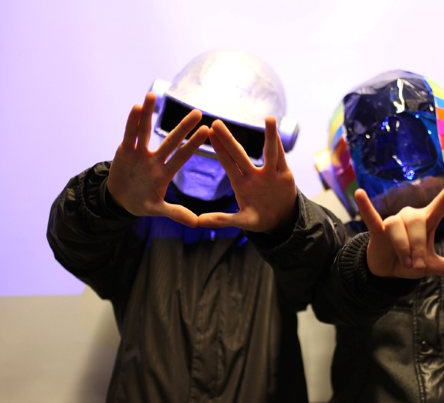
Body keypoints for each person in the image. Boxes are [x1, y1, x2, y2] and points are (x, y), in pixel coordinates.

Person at [199, 70, 444, 402]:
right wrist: (295, 227)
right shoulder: (351, 244)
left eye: (415, 140)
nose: (402, 159)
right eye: (380, 149)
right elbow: (330, 293)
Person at [46, 49, 344, 403]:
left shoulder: (276, 235)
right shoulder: (140, 221)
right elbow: (72, 241)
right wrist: (107, 199)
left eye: (233, 136)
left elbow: (330, 272)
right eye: (189, 125)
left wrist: (288, 222)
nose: (205, 150)